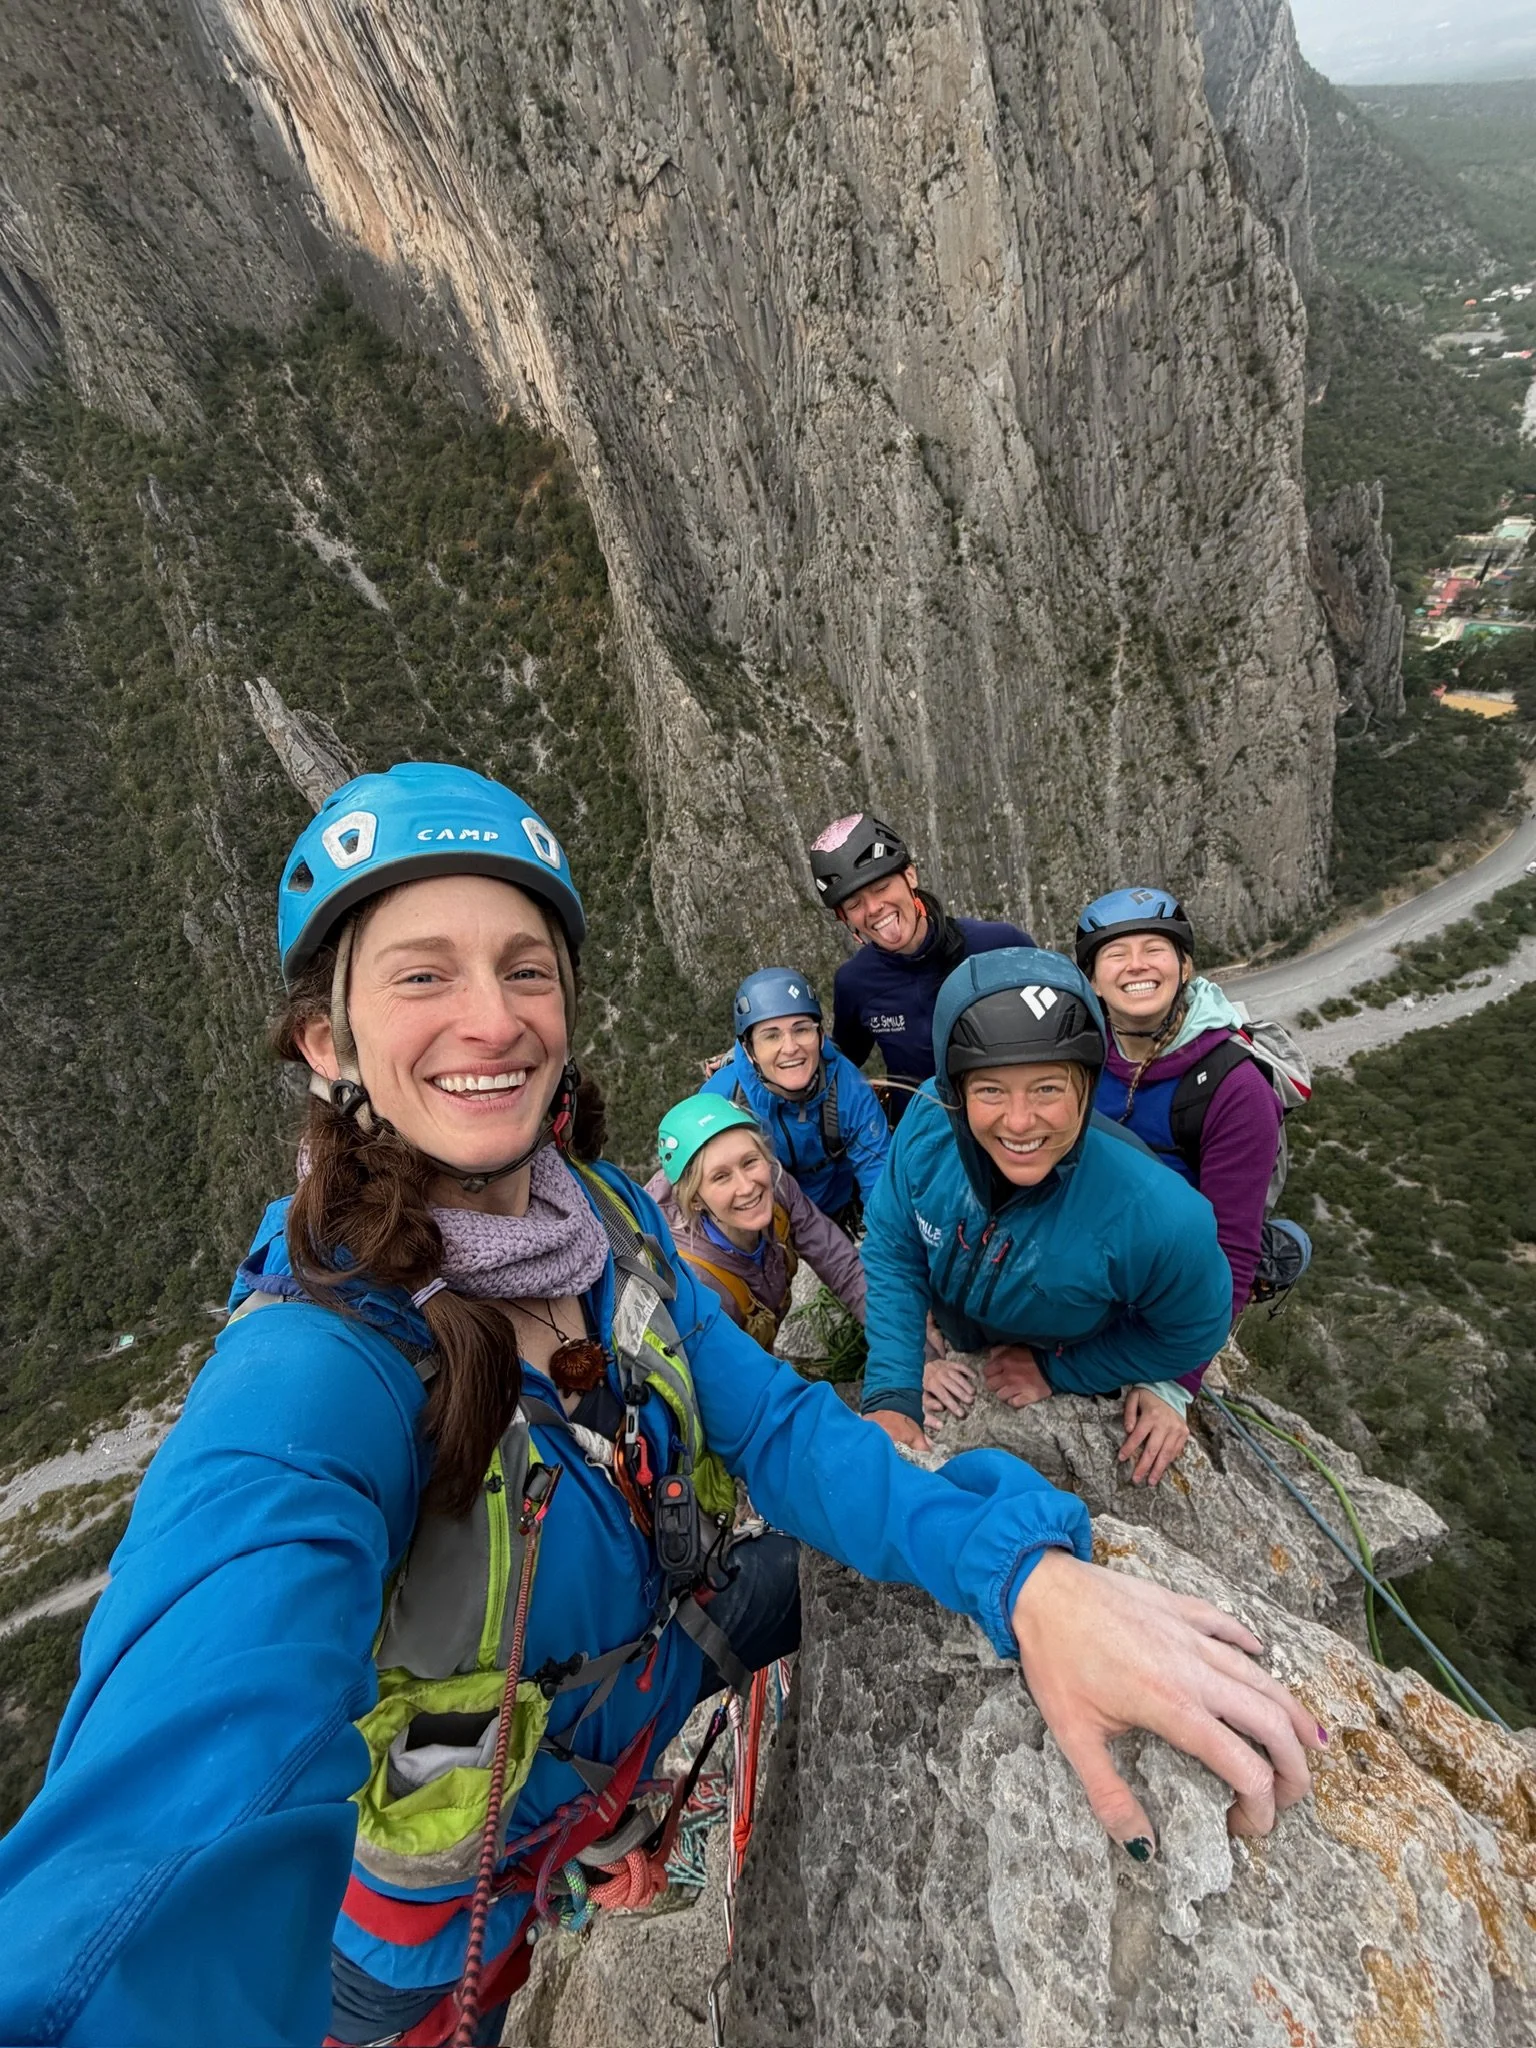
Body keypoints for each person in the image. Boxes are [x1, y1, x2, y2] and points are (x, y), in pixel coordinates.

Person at [0, 768, 1321, 2048]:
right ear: (325, 1040)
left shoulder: (614, 1227)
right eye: (422, 974)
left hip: (633, 1692)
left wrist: (1028, 1582)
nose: (491, 1018)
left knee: (887, 1555)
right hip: (418, 1944)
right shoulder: (314, 1377)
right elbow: (148, 1849)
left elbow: (785, 1435)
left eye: (525, 968)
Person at [860, 947, 1234, 1490]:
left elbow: (1192, 1330)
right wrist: (894, 1388)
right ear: (955, 1093)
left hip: (1053, 1343)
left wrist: (1060, 1370)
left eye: (1048, 1089)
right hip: (959, 1325)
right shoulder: (927, 1124)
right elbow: (894, 1240)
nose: (1019, 1121)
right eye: (990, 1089)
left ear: (1087, 1087)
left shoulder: (1158, 1218)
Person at [1076, 887, 1311, 1360]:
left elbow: (1230, 1253)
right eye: (1116, 954)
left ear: (1185, 968)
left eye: (1155, 950)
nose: (1137, 965)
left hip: (1170, 1265)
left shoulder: (1236, 1088)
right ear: (1094, 982)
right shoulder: (1076, 1052)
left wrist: (1176, 1382)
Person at [808, 812, 1033, 1120]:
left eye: (881, 887)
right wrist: (749, 1055)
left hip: (1010, 1121)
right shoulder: (855, 983)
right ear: (845, 918)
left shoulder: (998, 945)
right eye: (854, 904)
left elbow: (1061, 1015)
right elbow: (844, 1058)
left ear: (910, 876)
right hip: (925, 1136)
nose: (873, 909)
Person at [645, 1094, 866, 1347]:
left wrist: (900, 1343)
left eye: (750, 1162)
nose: (747, 1187)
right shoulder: (697, 1281)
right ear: (695, 1200)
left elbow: (842, 1266)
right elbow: (724, 1375)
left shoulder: (778, 1188)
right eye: (721, 1177)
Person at [700, 968, 888, 1229]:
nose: (790, 1048)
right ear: (748, 1049)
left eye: (802, 1030)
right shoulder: (721, 1100)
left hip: (833, 1212)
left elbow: (878, 1180)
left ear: (820, 1036)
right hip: (762, 1225)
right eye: (771, 1035)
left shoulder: (848, 1086)